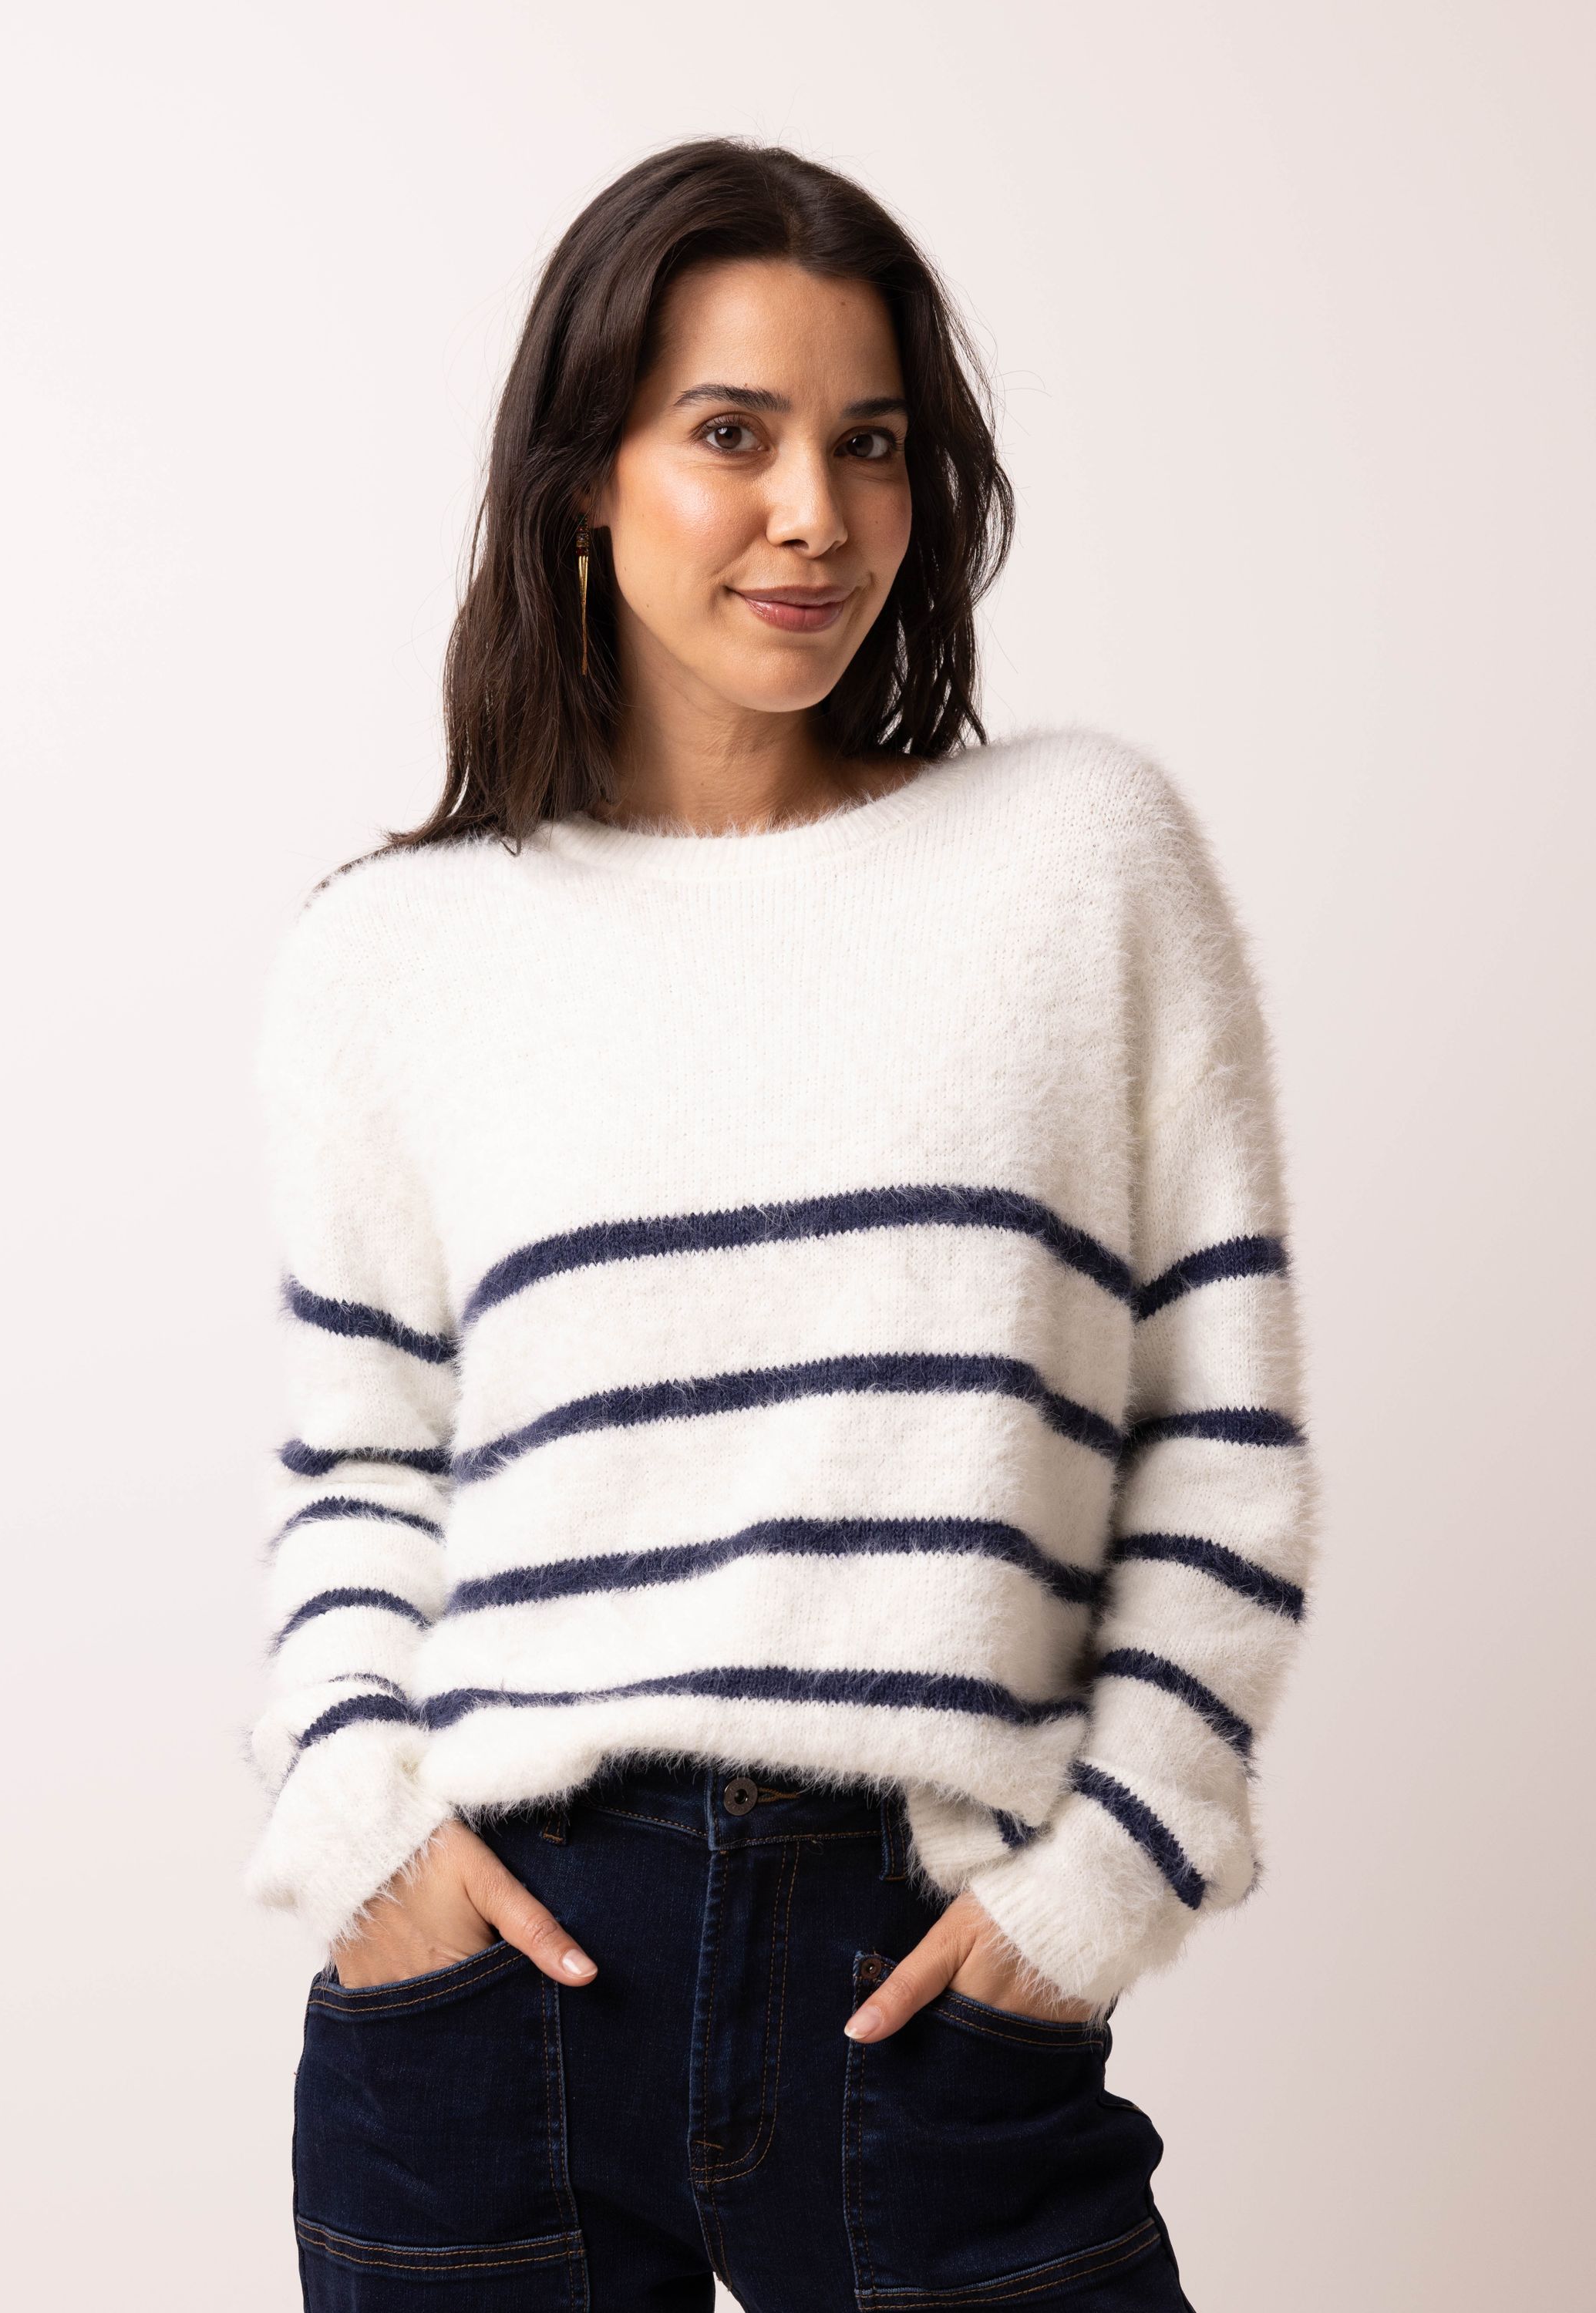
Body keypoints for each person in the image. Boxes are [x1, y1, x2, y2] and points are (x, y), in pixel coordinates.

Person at [244, 137, 1318, 2311]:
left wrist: (1099, 1888)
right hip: (496, 1982)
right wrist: (371, 1835)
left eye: (872, 443)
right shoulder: (393, 956)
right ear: (585, 474)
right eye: (731, 434)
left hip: (921, 1968)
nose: (815, 513)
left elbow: (1216, 1443)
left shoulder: (1082, 862)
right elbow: (360, 1472)